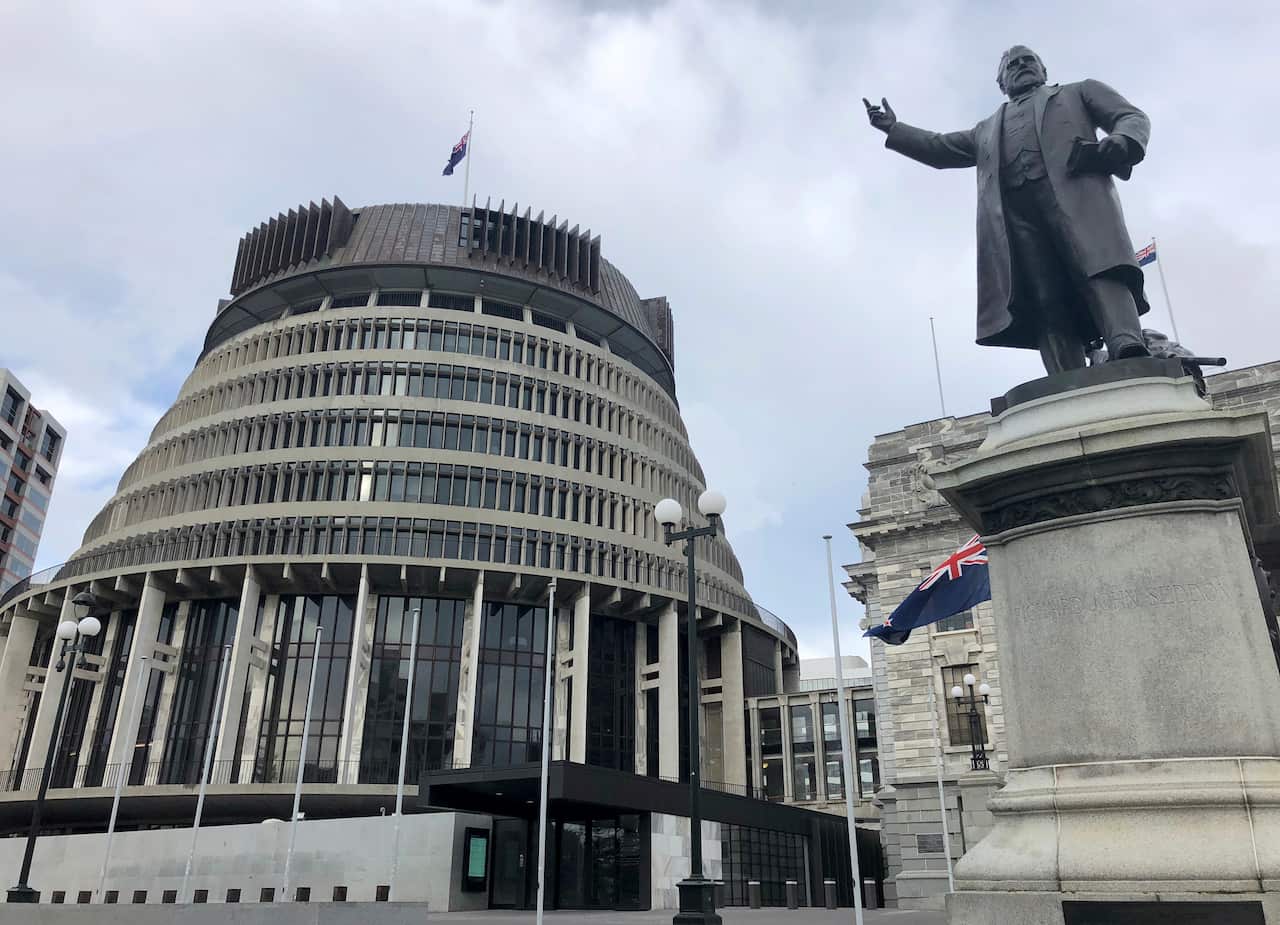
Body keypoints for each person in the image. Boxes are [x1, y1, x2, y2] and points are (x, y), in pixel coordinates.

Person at [864, 46, 1153, 374]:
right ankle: (1064, 375)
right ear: (1001, 82)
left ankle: (1126, 342)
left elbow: (1130, 117)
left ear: (1044, 70)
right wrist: (894, 129)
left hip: (1078, 201)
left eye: (1028, 60)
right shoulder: (986, 129)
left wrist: (1123, 140)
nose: (1021, 66)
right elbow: (940, 148)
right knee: (1043, 295)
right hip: (1018, 221)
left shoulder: (1079, 91)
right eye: (1012, 65)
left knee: (1100, 268)